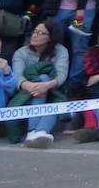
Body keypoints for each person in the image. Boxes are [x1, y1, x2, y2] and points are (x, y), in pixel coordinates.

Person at [8, 18, 68, 148]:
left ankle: (35, 132)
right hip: (26, 93)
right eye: (35, 31)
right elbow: (17, 75)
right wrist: (31, 86)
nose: (35, 35)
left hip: (52, 91)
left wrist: (46, 85)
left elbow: (61, 74)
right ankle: (38, 131)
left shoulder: (61, 50)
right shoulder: (21, 52)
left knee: (46, 82)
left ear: (51, 37)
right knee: (43, 77)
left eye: (42, 33)